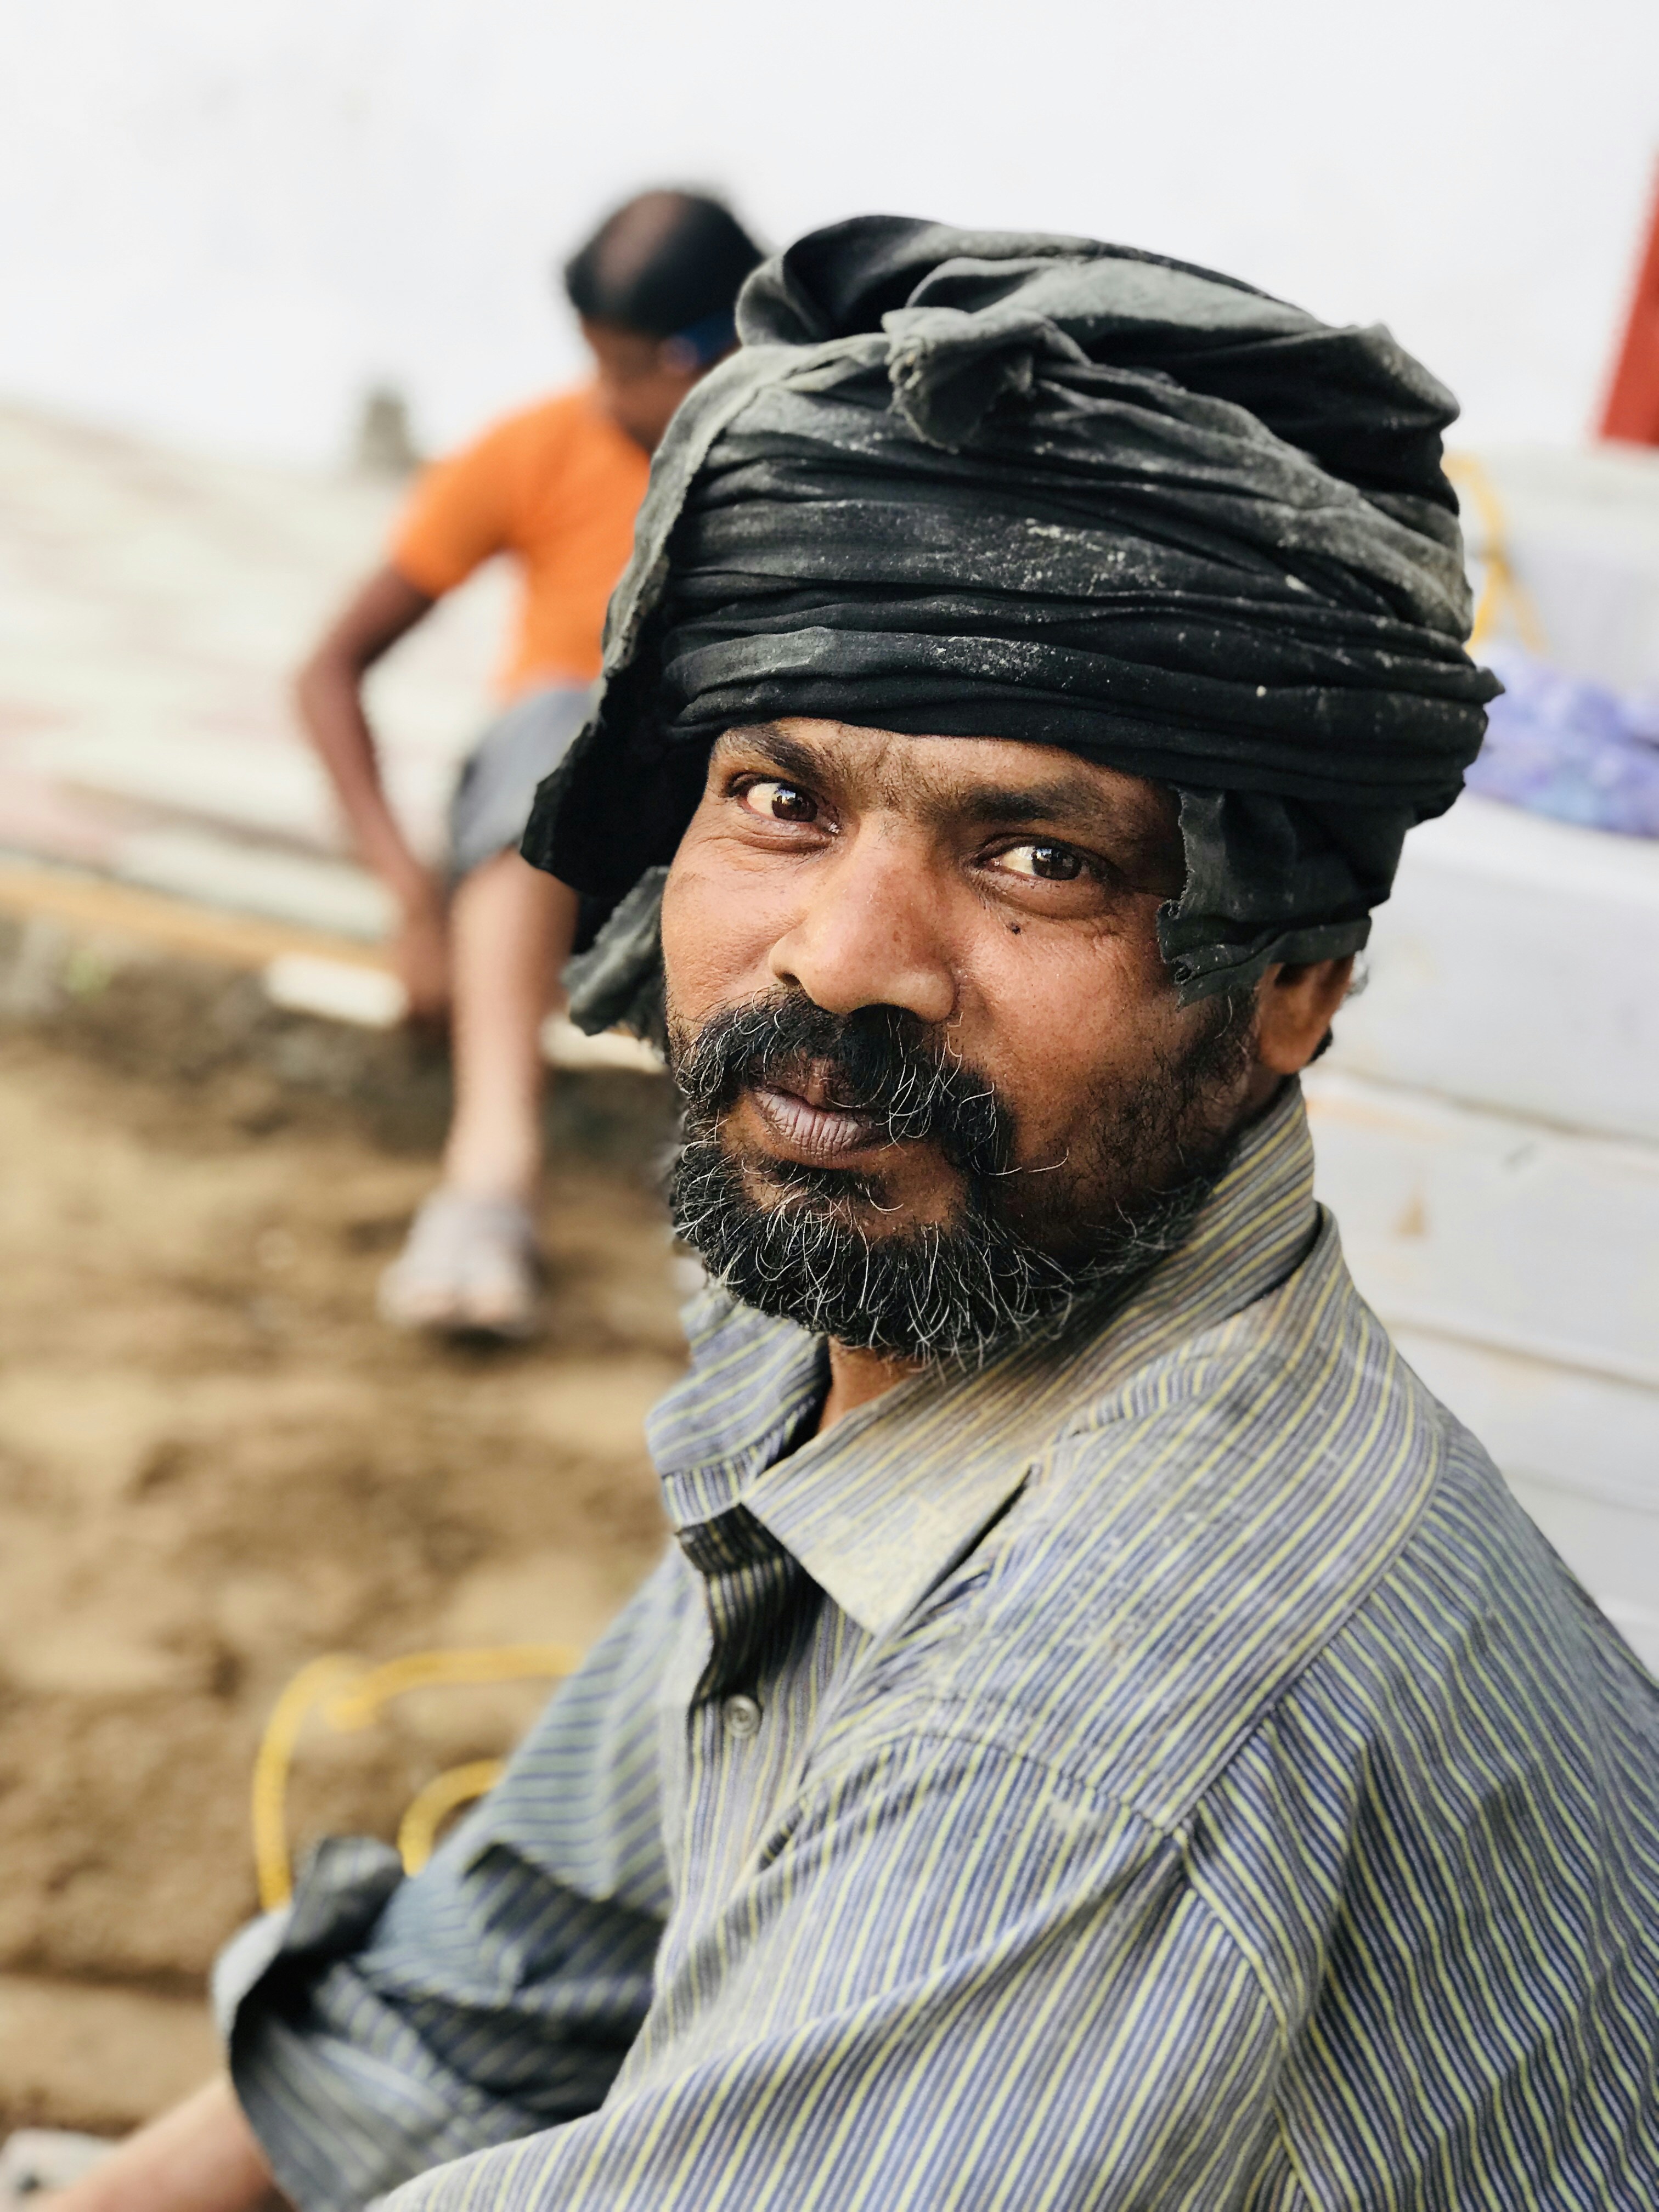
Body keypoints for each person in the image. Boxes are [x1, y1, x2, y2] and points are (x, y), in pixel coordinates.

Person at [60, 219, 1659, 2209]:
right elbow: (513, 1974)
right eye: (781, 800)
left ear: (1288, 988)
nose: (837, 964)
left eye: (1037, 855)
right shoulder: (871, 1301)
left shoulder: (1102, 1736)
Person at [298, 188, 761, 1335]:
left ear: (727, 346)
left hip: (715, 841)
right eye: (593, 363)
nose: (609, 397)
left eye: (632, 367)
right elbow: (328, 672)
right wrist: (412, 903)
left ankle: (745, 1218)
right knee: (566, 720)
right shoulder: (537, 448)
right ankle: (488, 1177)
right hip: (545, 835)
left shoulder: (787, 472)